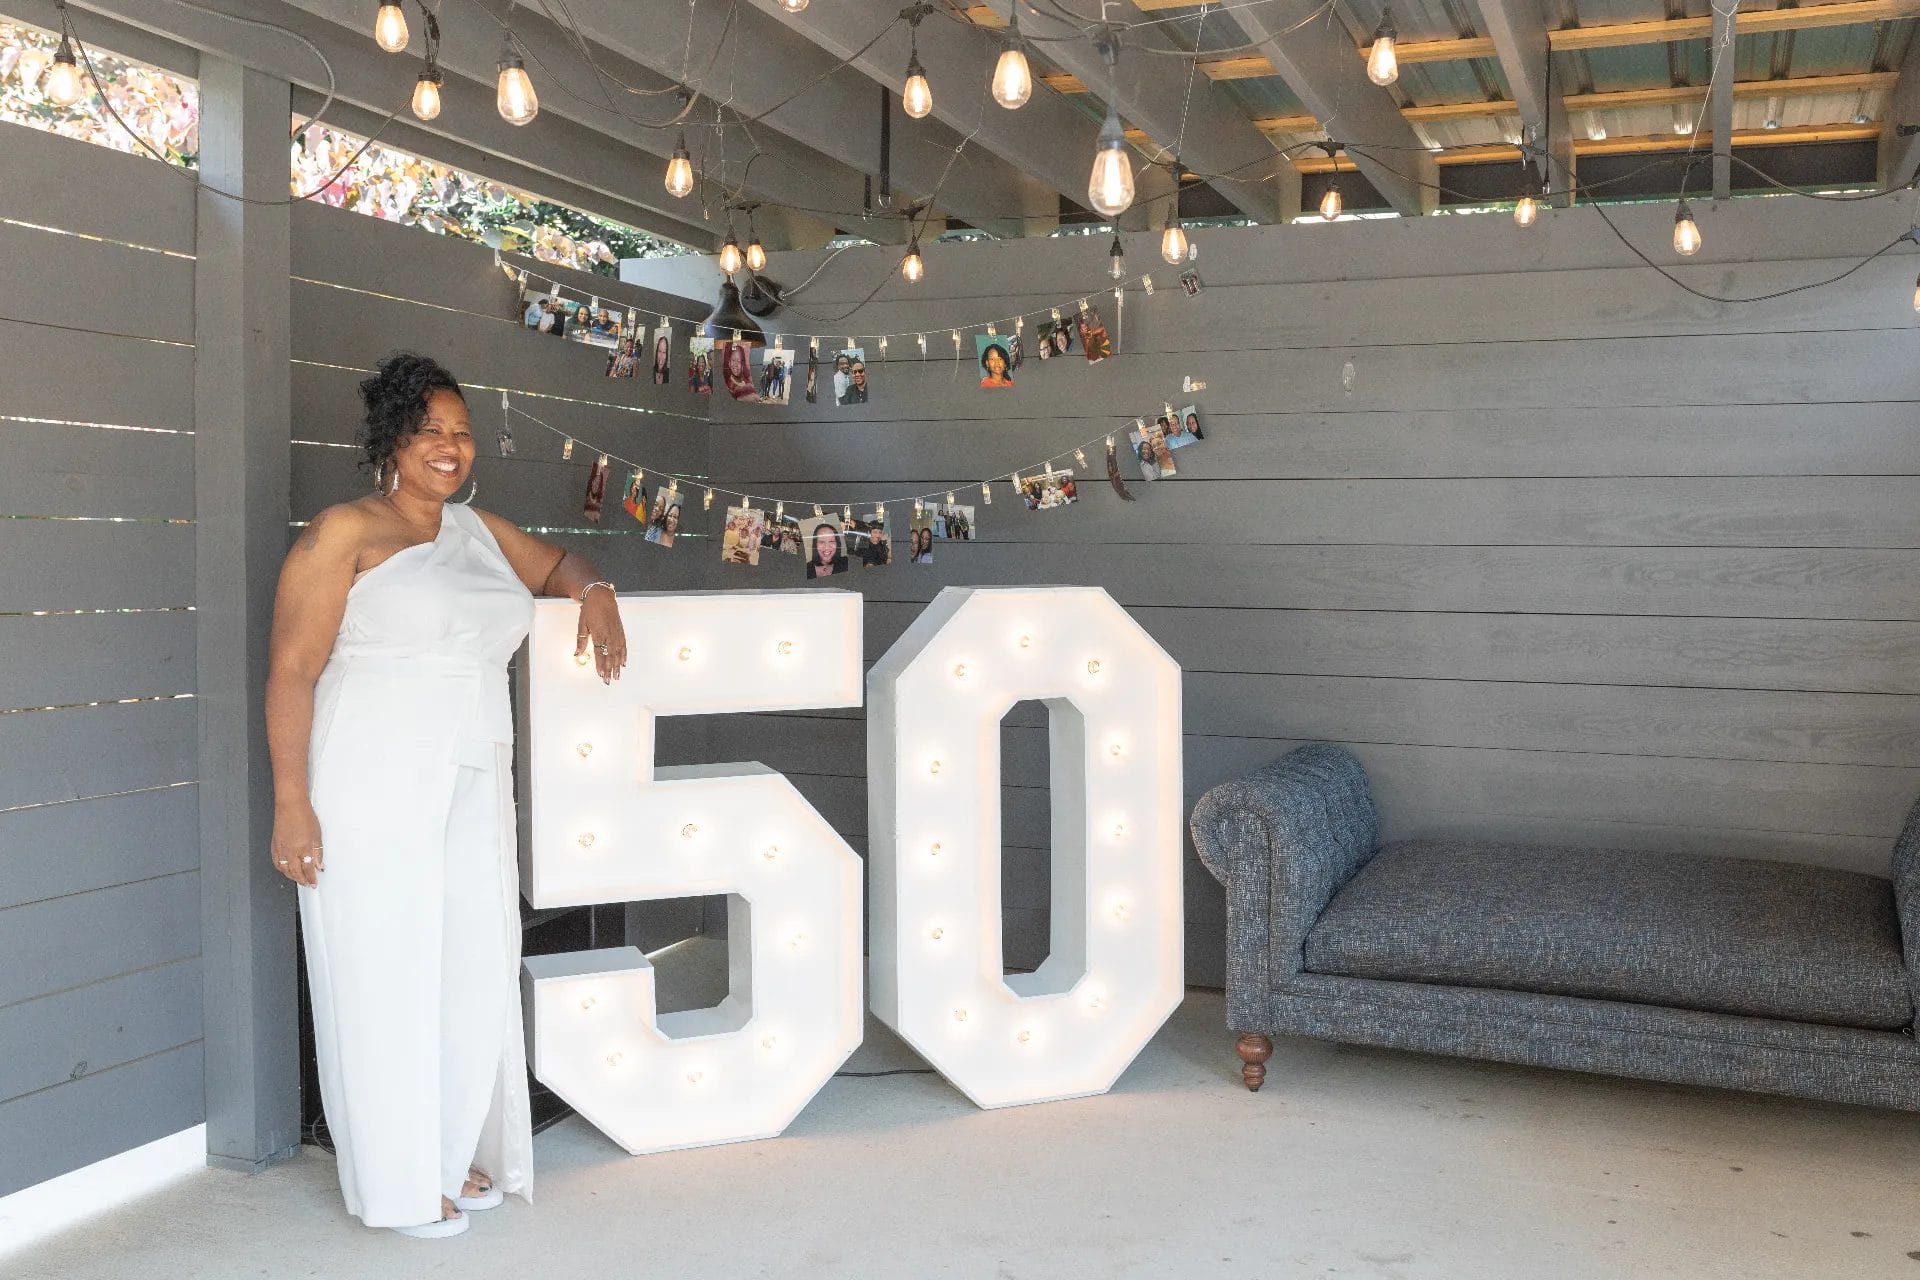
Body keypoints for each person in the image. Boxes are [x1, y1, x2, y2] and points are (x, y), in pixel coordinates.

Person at [266, 352, 628, 1240]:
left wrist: (598, 592)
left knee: (469, 961)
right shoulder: (342, 531)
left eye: (462, 432)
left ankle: (437, 1148)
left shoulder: (481, 532)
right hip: (369, 772)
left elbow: (559, 566)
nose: (450, 446)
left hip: (473, 771)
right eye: (431, 429)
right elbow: (291, 669)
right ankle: (394, 1181)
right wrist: (291, 802)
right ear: (392, 437)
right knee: (382, 969)